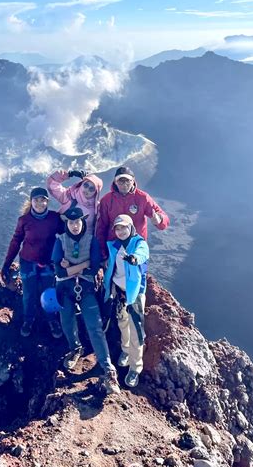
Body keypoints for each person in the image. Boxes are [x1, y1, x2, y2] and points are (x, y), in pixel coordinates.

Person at [52, 206, 120, 395]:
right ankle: (75, 348)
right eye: (71, 222)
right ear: (67, 223)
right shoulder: (60, 241)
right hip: (65, 289)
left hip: (86, 288)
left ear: (83, 222)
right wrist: (83, 264)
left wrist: (71, 266)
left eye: (78, 222)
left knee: (94, 325)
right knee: (66, 321)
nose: (75, 226)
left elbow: (94, 266)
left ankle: (107, 368)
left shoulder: (92, 241)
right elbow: (58, 270)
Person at [1, 187, 63, 339]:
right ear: (31, 201)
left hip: (48, 263)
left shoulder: (55, 218)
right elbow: (16, 242)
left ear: (47, 201)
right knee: (29, 293)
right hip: (28, 262)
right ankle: (28, 320)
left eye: (43, 200)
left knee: (48, 293)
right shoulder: (24, 220)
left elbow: (65, 237)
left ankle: (52, 320)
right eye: (36, 200)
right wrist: (6, 264)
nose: (40, 203)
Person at [103, 214, 149, 388]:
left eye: (124, 227)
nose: (121, 231)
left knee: (136, 329)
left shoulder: (138, 243)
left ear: (131, 228)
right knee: (122, 322)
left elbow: (142, 254)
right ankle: (125, 350)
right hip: (119, 291)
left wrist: (134, 258)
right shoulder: (114, 246)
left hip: (134, 293)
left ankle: (135, 367)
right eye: (118, 228)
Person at [96, 165, 169, 258]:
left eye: (127, 180)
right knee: (113, 271)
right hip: (114, 247)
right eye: (120, 181)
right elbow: (101, 226)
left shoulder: (143, 198)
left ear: (133, 181)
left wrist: (160, 220)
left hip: (136, 249)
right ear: (115, 182)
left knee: (135, 271)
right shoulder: (106, 200)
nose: (124, 184)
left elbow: (163, 218)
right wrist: (103, 253)